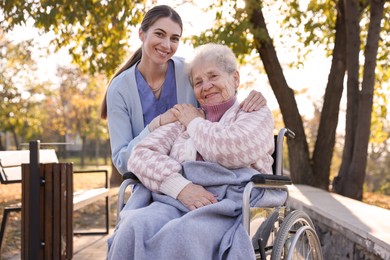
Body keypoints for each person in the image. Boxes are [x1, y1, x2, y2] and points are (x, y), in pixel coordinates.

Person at [107, 43, 284, 260]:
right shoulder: (183, 120)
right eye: (198, 82)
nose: (206, 86)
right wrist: (181, 187)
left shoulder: (253, 113)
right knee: (133, 226)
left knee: (181, 235)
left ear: (235, 79)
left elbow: (228, 149)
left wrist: (194, 123)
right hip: (176, 200)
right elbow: (141, 154)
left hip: (228, 206)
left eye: (213, 76)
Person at [101, 5, 267, 175]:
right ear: (141, 34)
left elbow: (219, 106)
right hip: (147, 178)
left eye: (174, 38)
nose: (166, 45)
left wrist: (252, 99)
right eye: (159, 34)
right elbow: (122, 162)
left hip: (198, 174)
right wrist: (156, 125)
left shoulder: (189, 72)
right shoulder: (119, 89)